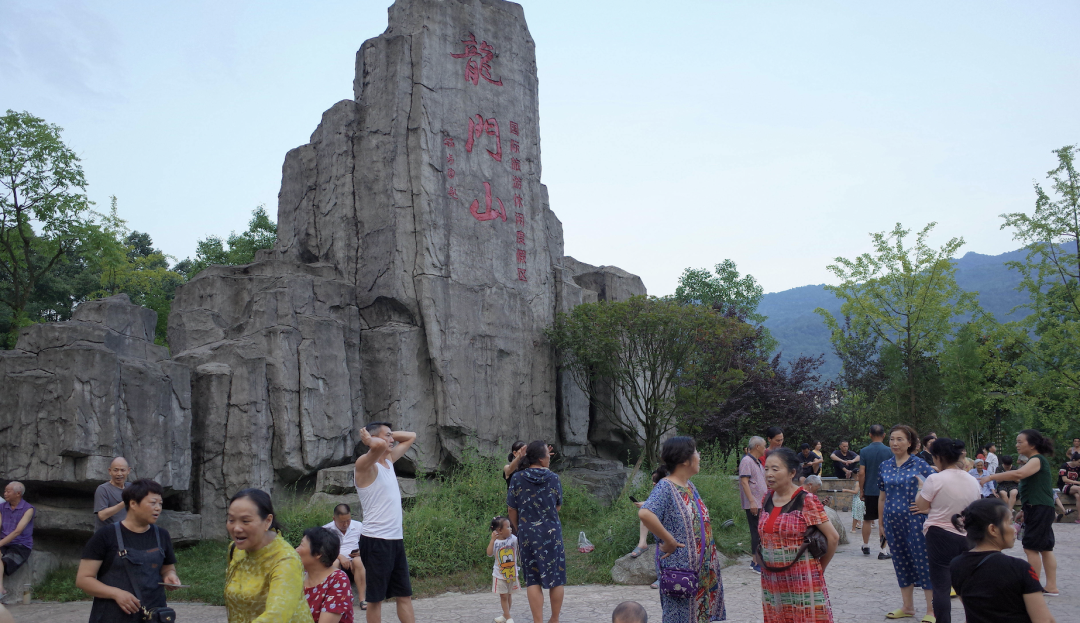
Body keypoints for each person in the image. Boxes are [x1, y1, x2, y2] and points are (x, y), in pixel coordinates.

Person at [639, 436, 726, 623]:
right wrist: (669, 540)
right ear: (685, 460)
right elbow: (645, 513)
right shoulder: (665, 487)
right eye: (696, 451)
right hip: (681, 574)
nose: (699, 455)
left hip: (700, 571)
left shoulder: (689, 486)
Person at [75, 479, 181, 622]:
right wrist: (115, 593)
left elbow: (168, 569)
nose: (158, 508)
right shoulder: (106, 535)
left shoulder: (162, 535)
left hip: (154, 615)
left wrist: (170, 576)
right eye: (153, 503)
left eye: (160, 503)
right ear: (133, 504)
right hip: (112, 616)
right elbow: (83, 579)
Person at [755, 447, 839, 623]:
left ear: (792, 472)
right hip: (772, 579)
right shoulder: (766, 498)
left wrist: (818, 570)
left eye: (775, 469)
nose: (769, 474)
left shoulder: (806, 499)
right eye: (767, 469)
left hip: (802, 580)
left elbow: (833, 537)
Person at [950, 498, 1057, 623]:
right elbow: (1043, 620)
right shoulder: (1019, 568)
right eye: (1010, 522)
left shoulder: (956, 565)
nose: (1014, 529)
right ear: (993, 529)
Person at [978, 429, 1058, 595]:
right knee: (1045, 547)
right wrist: (1023, 509)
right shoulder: (1034, 460)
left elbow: (1019, 474)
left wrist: (991, 477)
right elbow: (1034, 487)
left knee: (1031, 547)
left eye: (1020, 442)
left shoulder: (1037, 459)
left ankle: (1032, 586)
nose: (1017, 445)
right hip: (1038, 507)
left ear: (1033, 444)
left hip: (1039, 508)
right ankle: (1051, 586)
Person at [354, 421, 417, 623]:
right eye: (388, 436)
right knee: (375, 599)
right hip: (375, 540)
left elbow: (411, 436)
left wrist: (383, 435)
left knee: (404, 594)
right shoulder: (364, 465)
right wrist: (374, 439)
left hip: (395, 539)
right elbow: (379, 447)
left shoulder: (388, 461)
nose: (392, 440)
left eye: (392, 436)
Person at [914, 437, 981, 623]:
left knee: (941, 586)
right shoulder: (972, 480)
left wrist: (921, 488)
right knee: (966, 585)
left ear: (939, 457)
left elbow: (921, 505)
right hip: (967, 536)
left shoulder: (935, 479)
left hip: (939, 535)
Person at [223, 489, 309, 623]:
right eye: (231, 520)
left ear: (268, 521)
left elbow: (277, 616)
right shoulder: (235, 549)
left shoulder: (286, 560)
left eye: (245, 521)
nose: (236, 528)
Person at [878, 424, 935, 621]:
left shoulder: (919, 465)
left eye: (900, 439)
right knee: (900, 562)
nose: (894, 443)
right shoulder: (884, 466)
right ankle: (908, 606)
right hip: (892, 522)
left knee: (923, 563)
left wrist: (927, 508)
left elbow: (937, 487)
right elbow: (882, 497)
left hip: (915, 522)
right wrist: (881, 523)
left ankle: (931, 610)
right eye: (892, 439)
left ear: (910, 443)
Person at [507, 441, 566, 623]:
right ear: (541, 459)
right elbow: (557, 506)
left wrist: (519, 528)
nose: (549, 458)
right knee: (556, 577)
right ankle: (554, 619)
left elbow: (511, 509)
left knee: (532, 579)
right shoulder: (554, 478)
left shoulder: (517, 478)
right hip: (551, 531)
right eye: (547, 456)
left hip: (527, 532)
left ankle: (538, 621)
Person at [298, 527, 354, 623]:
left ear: (318, 553)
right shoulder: (299, 578)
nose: (296, 550)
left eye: (301, 545)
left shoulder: (338, 580)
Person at [322, 504, 366, 610]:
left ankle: (362, 598)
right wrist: (340, 556)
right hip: (337, 561)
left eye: (348, 520)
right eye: (342, 522)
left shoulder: (358, 526)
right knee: (334, 563)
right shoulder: (326, 529)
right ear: (334, 519)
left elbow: (369, 545)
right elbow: (324, 550)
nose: (345, 524)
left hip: (354, 563)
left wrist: (361, 552)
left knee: (359, 561)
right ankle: (335, 599)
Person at [858, 424, 892, 559]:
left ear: (870, 435)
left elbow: (861, 473)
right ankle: (883, 550)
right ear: (884, 435)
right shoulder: (889, 451)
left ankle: (865, 545)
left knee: (867, 519)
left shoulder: (864, 451)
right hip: (885, 491)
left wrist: (861, 490)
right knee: (883, 521)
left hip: (870, 491)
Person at [0, 482, 35, 604]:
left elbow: (17, 531)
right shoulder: (2, 507)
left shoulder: (28, 509)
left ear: (18, 493)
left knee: (4, 561)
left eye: (8, 491)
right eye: (4, 491)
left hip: (20, 545)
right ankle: (0, 588)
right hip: (4, 542)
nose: (5, 494)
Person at [739, 436, 768, 574]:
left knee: (760, 531)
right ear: (757, 446)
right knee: (756, 532)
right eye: (764, 445)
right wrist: (752, 501)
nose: (765, 448)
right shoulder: (746, 461)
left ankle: (755, 560)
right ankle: (757, 563)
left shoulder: (756, 462)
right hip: (754, 503)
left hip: (760, 502)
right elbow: (745, 482)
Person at [486, 516, 520, 623]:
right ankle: (509, 617)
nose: (510, 529)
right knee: (503, 596)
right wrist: (492, 540)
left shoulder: (513, 539)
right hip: (499, 574)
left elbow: (520, 549)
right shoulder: (495, 542)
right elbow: (489, 553)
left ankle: (505, 616)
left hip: (511, 573)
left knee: (509, 595)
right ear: (499, 530)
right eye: (508, 527)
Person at [94, 457, 131, 529]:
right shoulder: (103, 489)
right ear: (110, 471)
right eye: (116, 470)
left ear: (128, 471)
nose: (119, 474)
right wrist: (124, 502)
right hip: (108, 534)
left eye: (122, 470)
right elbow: (102, 515)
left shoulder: (131, 488)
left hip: (126, 533)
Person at [1058, 452, 1080, 524]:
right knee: (1079, 489)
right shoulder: (1064, 466)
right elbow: (1064, 479)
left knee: (1078, 497)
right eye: (1079, 462)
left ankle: (1079, 518)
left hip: (1074, 486)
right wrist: (1078, 483)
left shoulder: (1078, 467)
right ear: (1073, 460)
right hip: (1065, 485)